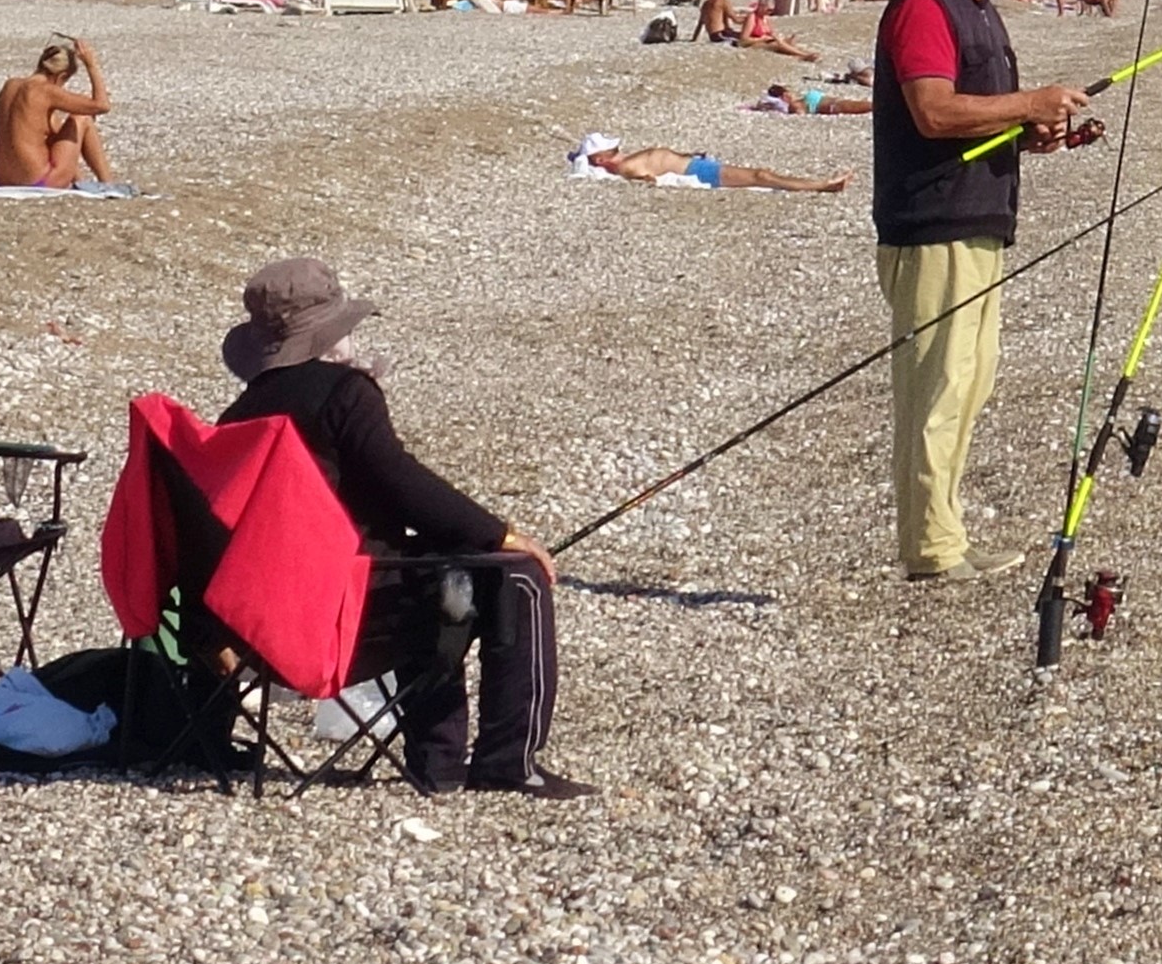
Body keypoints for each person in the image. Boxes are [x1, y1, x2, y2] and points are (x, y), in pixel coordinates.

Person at [216, 258, 589, 800]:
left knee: (444, 565)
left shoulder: (239, 415)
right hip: (352, 618)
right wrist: (500, 533)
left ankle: (438, 762)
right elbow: (402, 484)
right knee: (512, 574)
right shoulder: (342, 393)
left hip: (260, 625)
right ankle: (508, 761)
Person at [873, 0, 1088, 582]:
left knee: (969, 384)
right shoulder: (923, 8)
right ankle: (930, 550)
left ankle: (945, 537)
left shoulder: (980, 7)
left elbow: (976, 120)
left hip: (977, 218)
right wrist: (1030, 102)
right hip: (932, 223)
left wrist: (1034, 132)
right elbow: (932, 110)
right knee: (936, 389)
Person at [0, 39, 114, 187]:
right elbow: (102, 106)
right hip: (38, 181)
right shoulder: (46, 90)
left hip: (4, 179)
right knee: (82, 118)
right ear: (61, 76)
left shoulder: (10, 85)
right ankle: (108, 183)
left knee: (52, 123)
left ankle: (79, 181)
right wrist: (91, 65)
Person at [571, 135, 848, 193]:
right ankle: (821, 185)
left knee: (759, 174)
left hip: (694, 163)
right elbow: (649, 179)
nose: (620, 150)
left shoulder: (625, 162)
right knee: (760, 175)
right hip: (697, 172)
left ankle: (819, 184)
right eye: (614, 148)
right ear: (601, 159)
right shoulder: (625, 167)